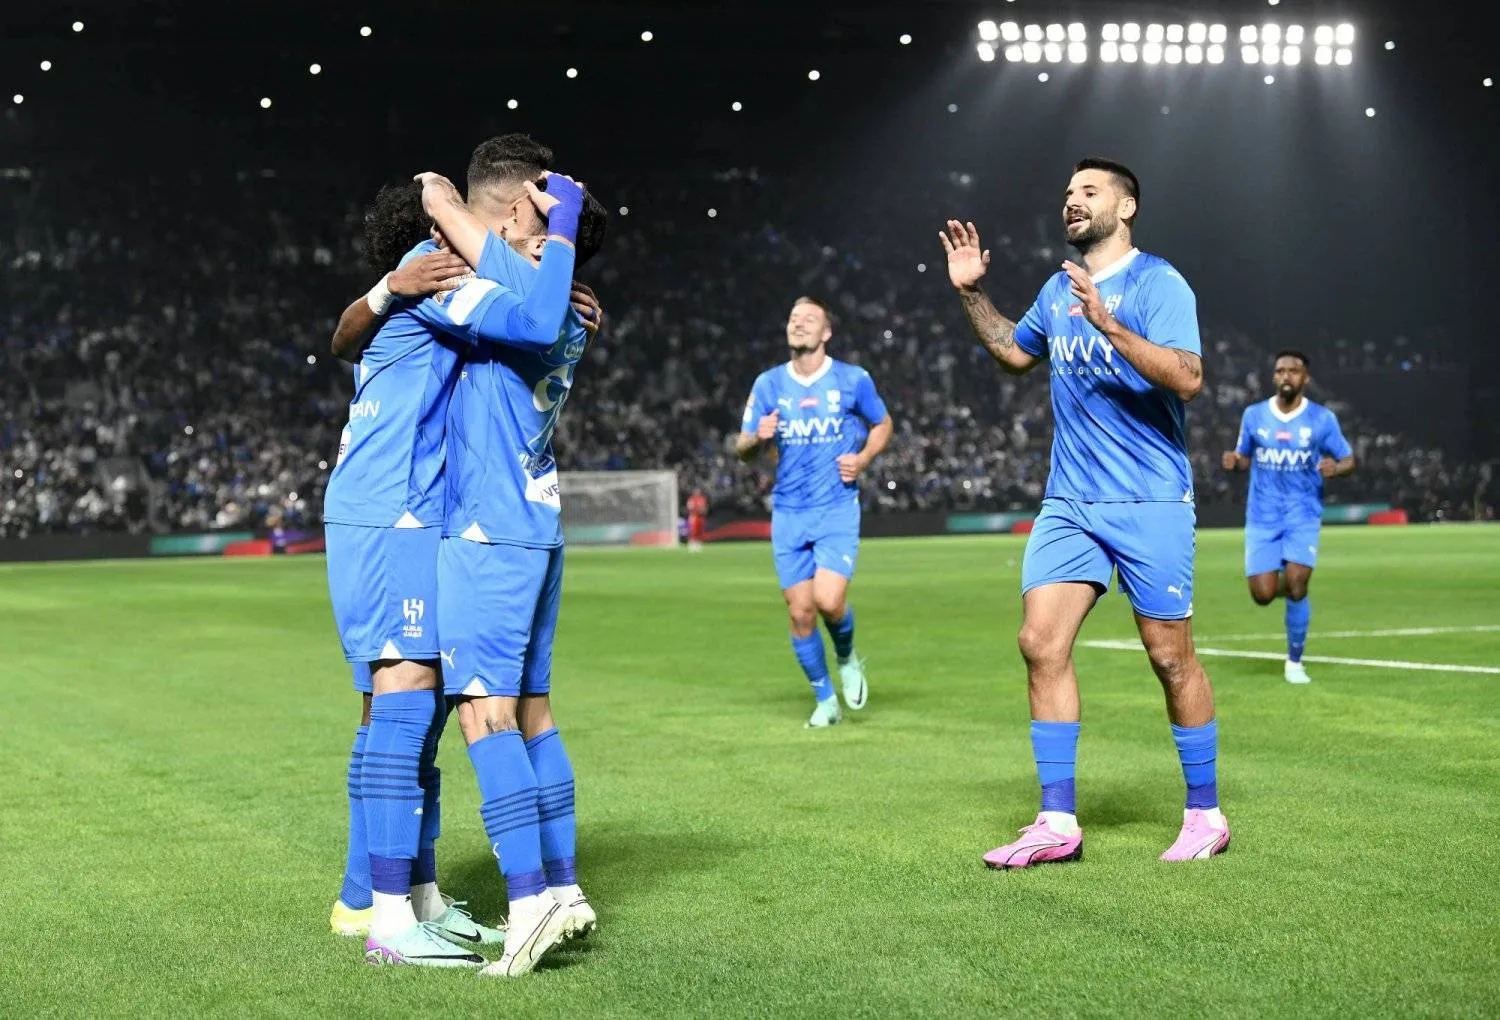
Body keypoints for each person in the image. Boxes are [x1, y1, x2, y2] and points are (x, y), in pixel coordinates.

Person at [321, 145, 585, 970]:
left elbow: (347, 336)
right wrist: (552, 276)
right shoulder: (434, 271)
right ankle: (384, 915)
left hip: (406, 514)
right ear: (499, 217)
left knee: (408, 708)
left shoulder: (446, 279)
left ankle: (407, 895)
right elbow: (534, 323)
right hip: (393, 513)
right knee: (403, 704)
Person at [941, 157, 1229, 866]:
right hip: (1070, 501)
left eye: (1088, 192)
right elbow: (1014, 352)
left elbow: (1188, 378)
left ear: (1125, 208)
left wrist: (1109, 325)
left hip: (1149, 498)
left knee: (1170, 657)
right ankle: (1056, 821)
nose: (1071, 202)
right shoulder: (1054, 287)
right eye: (1068, 192)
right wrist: (973, 295)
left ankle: (1205, 813)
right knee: (1040, 643)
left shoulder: (1161, 282)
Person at [413, 145, 606, 978]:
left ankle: (526, 903)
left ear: (518, 218)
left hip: (489, 529)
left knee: (482, 713)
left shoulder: (508, 294)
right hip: (536, 522)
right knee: (535, 709)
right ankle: (562, 889)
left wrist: (436, 200)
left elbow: (417, 291)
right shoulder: (563, 301)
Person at [735, 297, 893, 728]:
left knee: (828, 600)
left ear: (826, 333)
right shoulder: (768, 384)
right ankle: (825, 701)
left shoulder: (851, 379)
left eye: (809, 319)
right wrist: (756, 438)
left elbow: (883, 424)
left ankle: (846, 655)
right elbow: (743, 448)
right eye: (793, 319)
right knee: (800, 612)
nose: (799, 324)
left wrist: (862, 459)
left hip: (836, 507)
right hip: (789, 511)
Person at [1221, 350, 1355, 684]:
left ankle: (1295, 662)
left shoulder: (1322, 420)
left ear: (1305, 378)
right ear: (1273, 376)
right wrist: (1235, 462)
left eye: (1293, 371)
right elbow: (1244, 456)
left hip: (1303, 514)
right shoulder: (1254, 415)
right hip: (1262, 516)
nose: (1286, 376)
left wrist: (1335, 468)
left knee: (1296, 583)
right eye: (1280, 370)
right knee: (1263, 595)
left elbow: (1349, 459)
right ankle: (1288, 581)